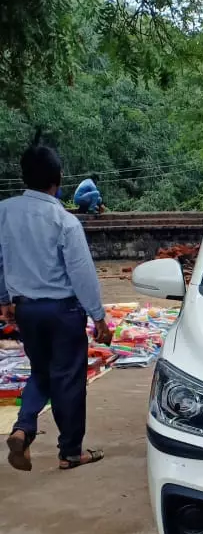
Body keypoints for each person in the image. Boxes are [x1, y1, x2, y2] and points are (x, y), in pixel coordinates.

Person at [0, 136, 112, 472]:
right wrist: (99, 317)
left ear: (23, 176)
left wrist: (4, 299)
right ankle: (70, 452)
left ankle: (23, 428)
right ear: (58, 178)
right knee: (69, 379)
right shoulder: (64, 220)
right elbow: (81, 273)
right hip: (63, 311)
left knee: (41, 371)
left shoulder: (4, 212)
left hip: (27, 309)